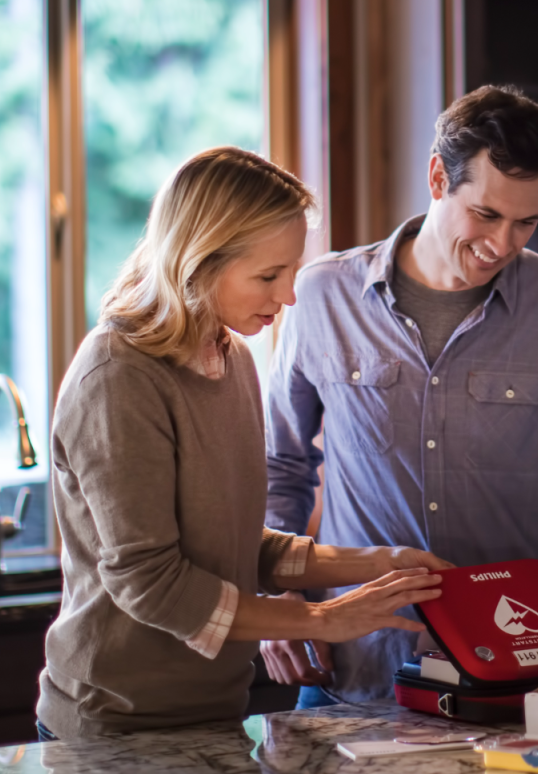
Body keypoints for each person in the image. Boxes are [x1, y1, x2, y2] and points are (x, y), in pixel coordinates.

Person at [263, 86, 538, 706]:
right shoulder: (323, 298)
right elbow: (281, 466)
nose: (504, 244)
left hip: (522, 675)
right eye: (485, 215)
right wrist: (279, 599)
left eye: (527, 222)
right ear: (438, 177)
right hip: (357, 672)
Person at [36, 146, 449, 738]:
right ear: (199, 261)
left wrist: (383, 563)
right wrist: (322, 619)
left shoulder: (230, 360)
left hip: (216, 715)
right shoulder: (118, 376)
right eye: (268, 275)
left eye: (289, 272)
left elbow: (233, 547)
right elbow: (148, 582)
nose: (288, 298)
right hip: (115, 726)